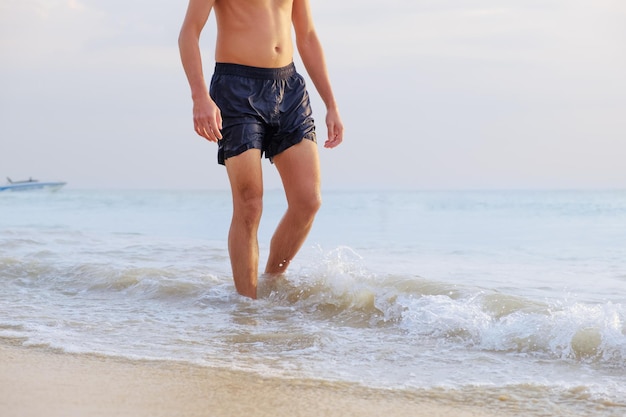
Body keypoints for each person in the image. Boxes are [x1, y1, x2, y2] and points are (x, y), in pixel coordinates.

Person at [178, 0, 344, 299]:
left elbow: (306, 35)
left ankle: (272, 281)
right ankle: (247, 308)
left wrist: (331, 103)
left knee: (308, 201)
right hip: (235, 88)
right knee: (250, 202)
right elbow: (189, 32)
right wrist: (199, 96)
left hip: (289, 88)